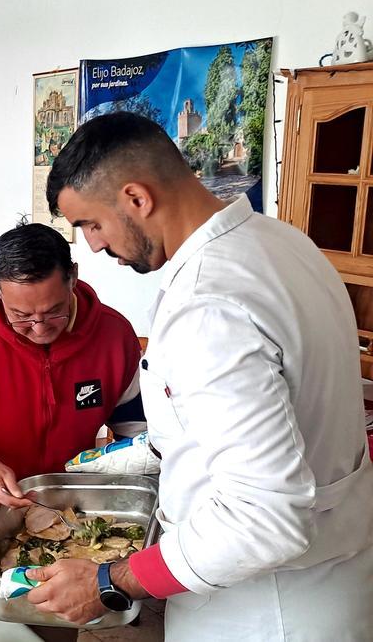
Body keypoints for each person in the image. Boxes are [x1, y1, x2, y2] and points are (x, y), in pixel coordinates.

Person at [33, 111, 373, 639]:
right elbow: (221, 427)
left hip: (264, 606)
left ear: (136, 199)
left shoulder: (209, 306)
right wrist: (105, 466)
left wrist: (110, 579)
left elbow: (265, 517)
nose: (93, 246)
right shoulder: (281, 242)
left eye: (91, 225)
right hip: (334, 576)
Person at [0, 223, 144, 560]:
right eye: (21, 315)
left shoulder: (113, 335)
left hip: (73, 522)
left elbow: (137, 430)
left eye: (53, 311)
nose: (40, 327)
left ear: (73, 276)